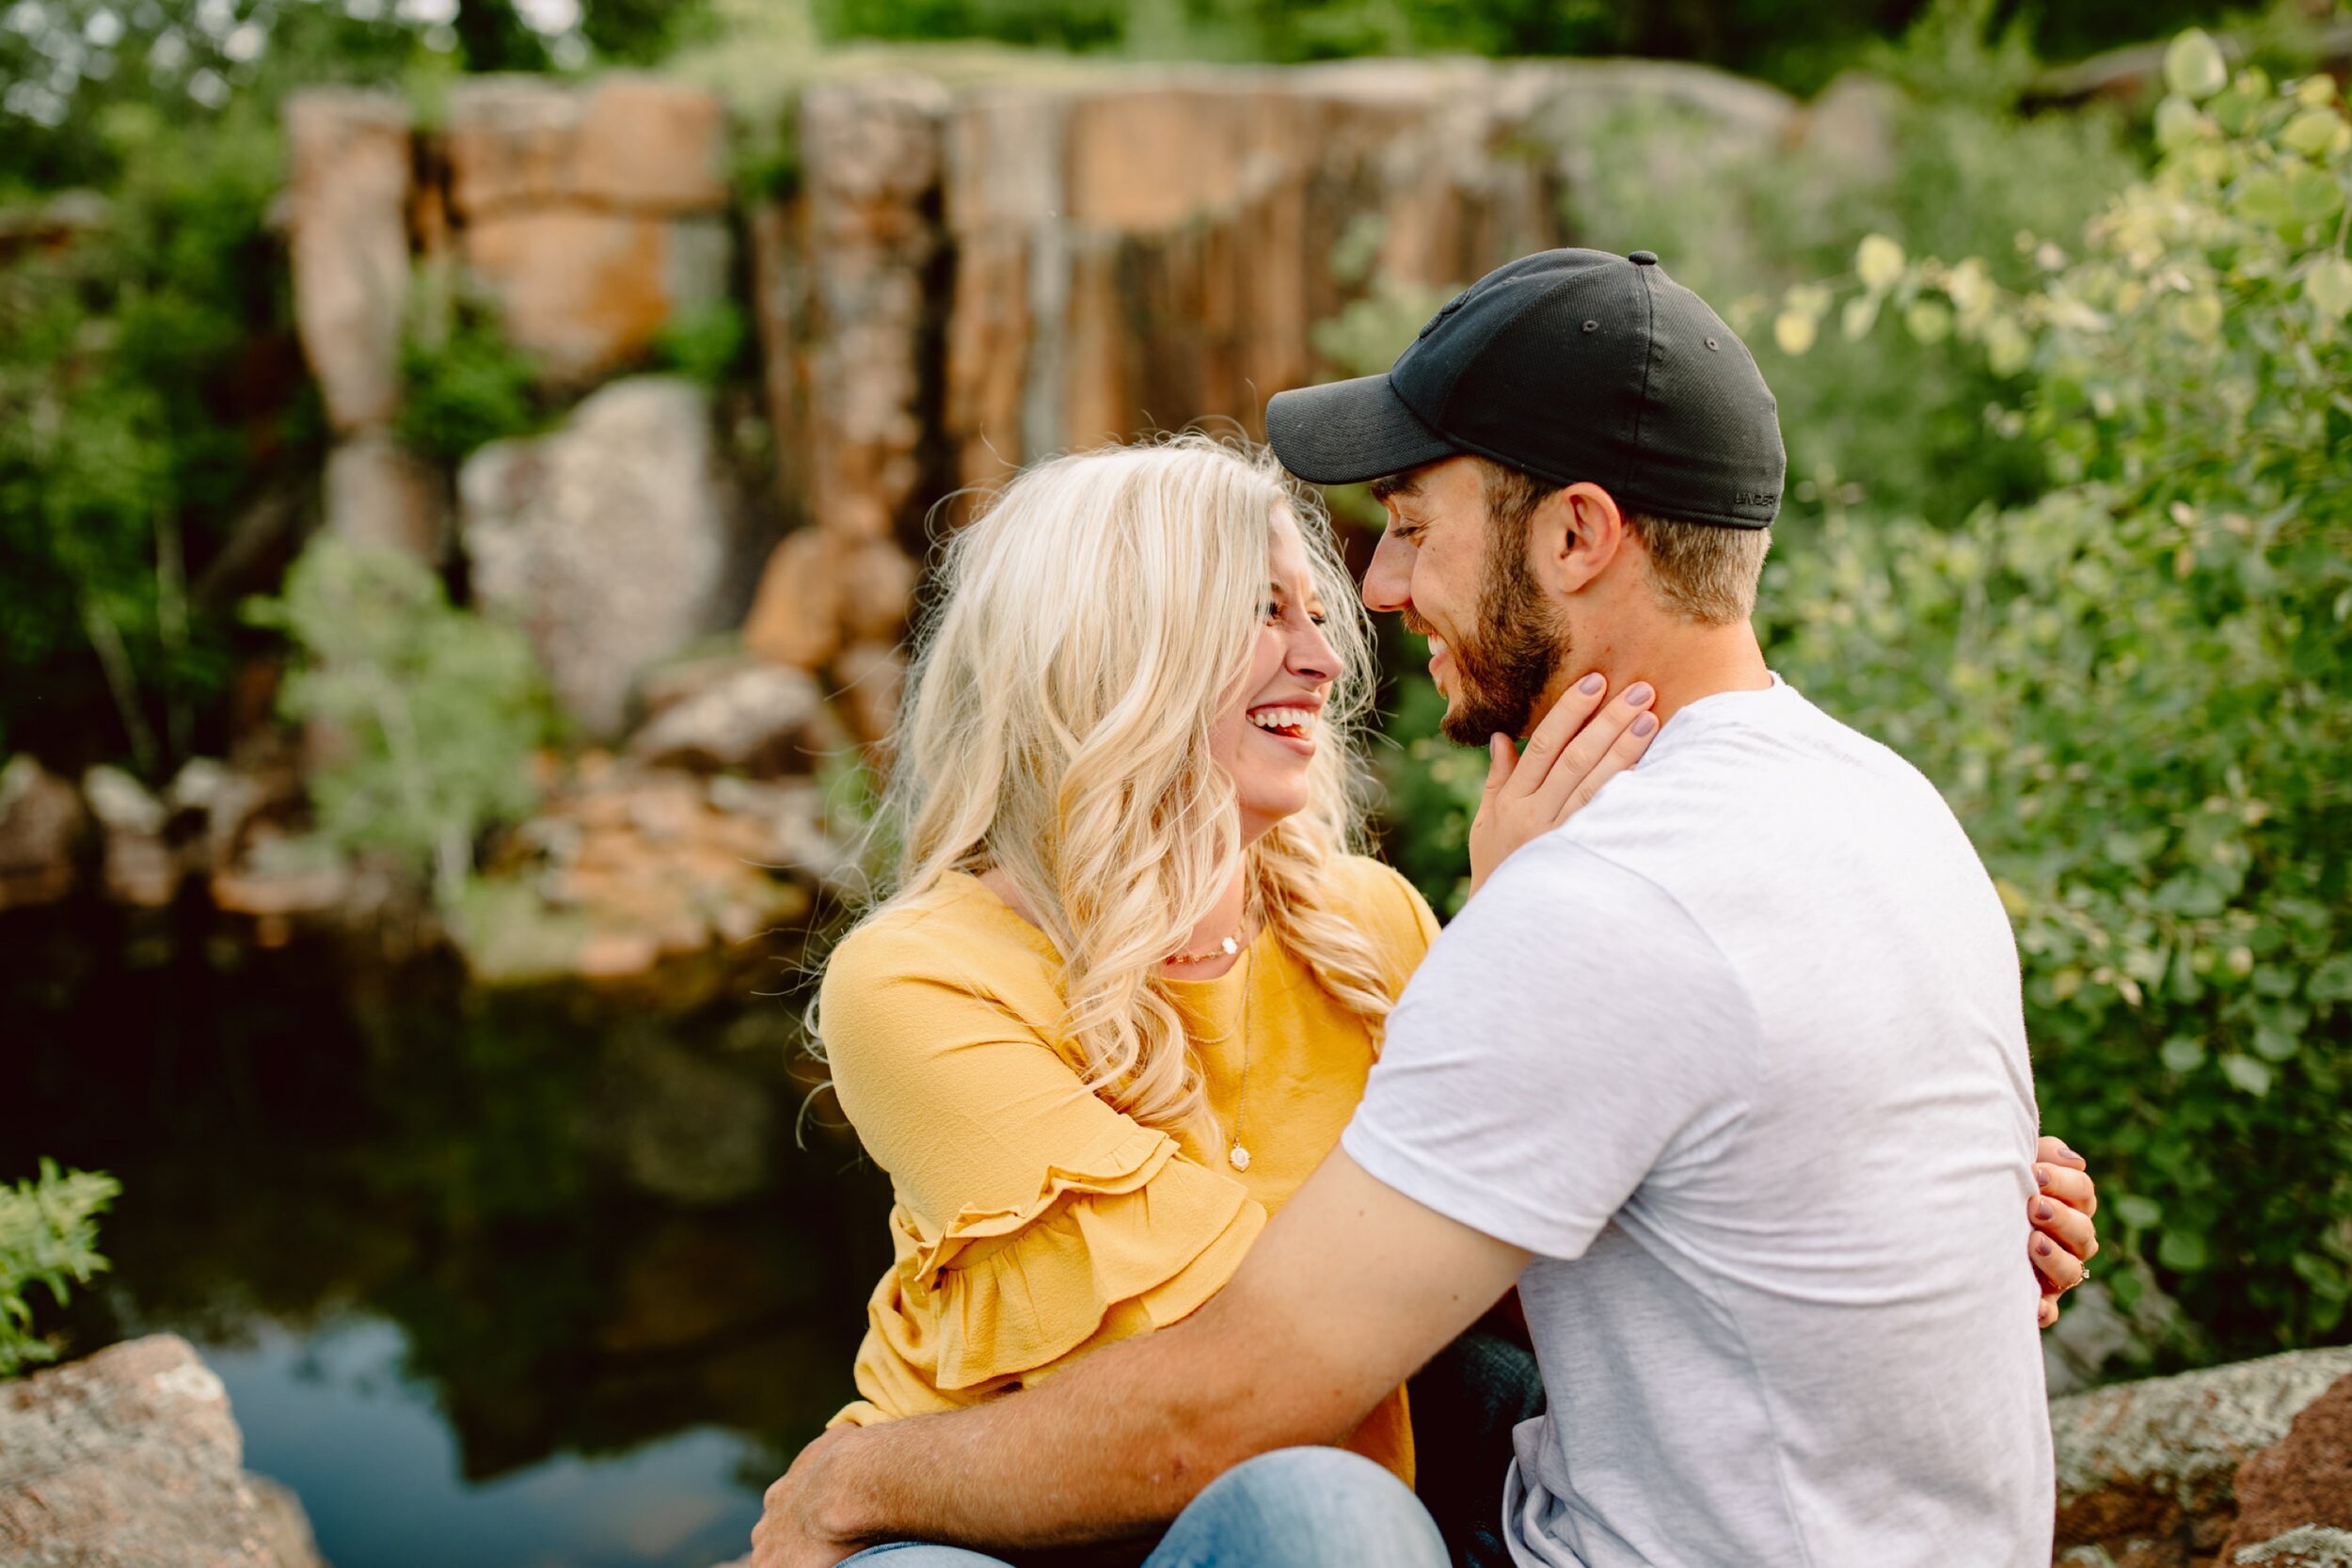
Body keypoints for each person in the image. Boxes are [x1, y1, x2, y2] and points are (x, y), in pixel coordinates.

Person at [768, 244, 2097, 1568]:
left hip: (1319, 1484)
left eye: (1407, 528)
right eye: (1270, 606)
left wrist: (843, 1482)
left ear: (1577, 534)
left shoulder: (1567, 909)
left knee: (1315, 1514)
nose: (1372, 606)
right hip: (1073, 1502)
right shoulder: (1883, 803)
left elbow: (1233, 1399)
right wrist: (1888, 1207)